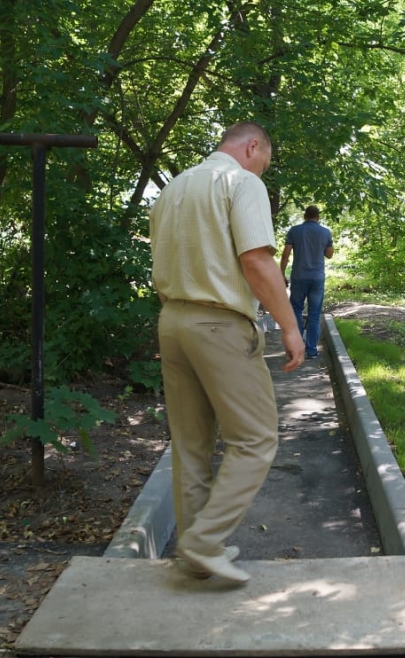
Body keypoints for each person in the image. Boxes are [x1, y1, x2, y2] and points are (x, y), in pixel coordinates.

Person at [149, 122, 305, 584]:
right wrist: (290, 327)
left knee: (191, 444)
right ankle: (204, 540)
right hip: (218, 324)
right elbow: (256, 260)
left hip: (172, 322)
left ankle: (194, 554)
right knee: (256, 438)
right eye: (263, 161)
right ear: (252, 146)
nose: (261, 169)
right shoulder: (242, 182)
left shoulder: (175, 187)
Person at [279, 205, 334, 358]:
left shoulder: (294, 231)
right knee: (314, 314)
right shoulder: (325, 232)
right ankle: (311, 350)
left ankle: (298, 347)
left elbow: (285, 255)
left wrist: (281, 273)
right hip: (317, 278)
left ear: (304, 216)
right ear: (318, 217)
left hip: (299, 277)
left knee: (296, 308)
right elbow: (329, 255)